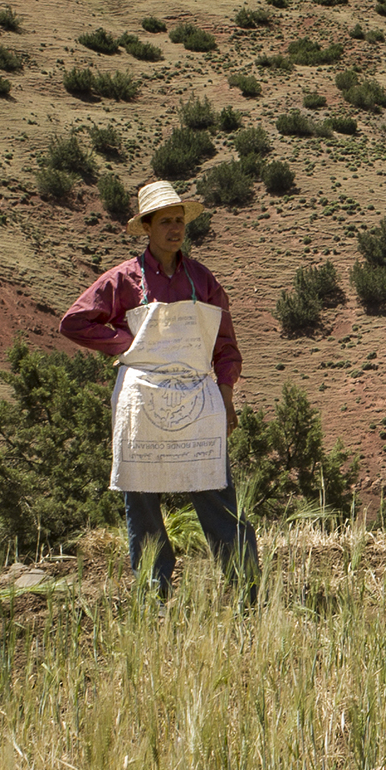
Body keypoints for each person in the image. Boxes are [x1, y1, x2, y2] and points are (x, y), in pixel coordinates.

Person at [62, 179, 256, 600]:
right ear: (146, 227)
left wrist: (226, 397)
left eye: (179, 220)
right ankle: (154, 590)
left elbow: (224, 344)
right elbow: (74, 322)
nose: (175, 228)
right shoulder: (124, 280)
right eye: (165, 221)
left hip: (196, 393)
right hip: (142, 395)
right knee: (143, 497)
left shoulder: (202, 280)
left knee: (213, 486)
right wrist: (128, 345)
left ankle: (245, 587)